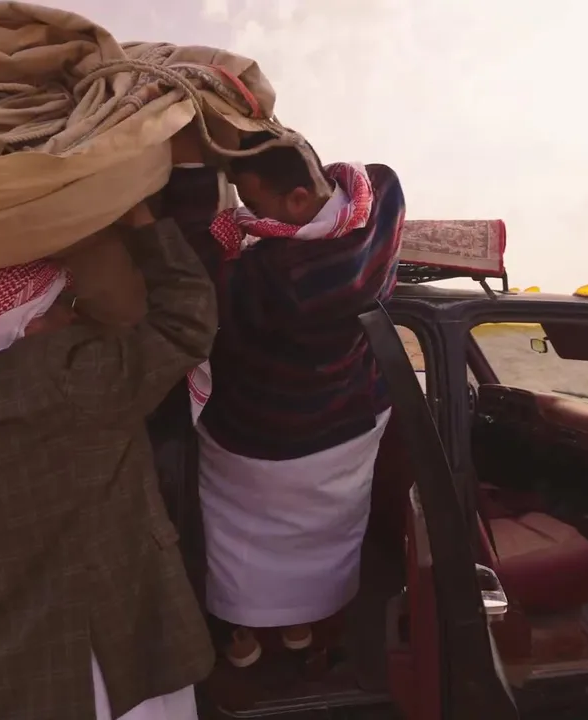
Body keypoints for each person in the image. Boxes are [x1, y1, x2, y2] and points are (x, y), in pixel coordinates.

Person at [0, 202, 218, 720]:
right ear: (24, 323)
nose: (74, 316)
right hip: (108, 652)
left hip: (17, 670)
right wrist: (145, 226)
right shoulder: (64, 376)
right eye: (59, 306)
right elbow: (186, 323)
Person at [162, 130, 406, 667]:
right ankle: (301, 622)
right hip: (349, 421)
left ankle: (241, 629)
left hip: (262, 438)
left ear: (297, 199)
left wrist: (192, 172)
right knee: (324, 538)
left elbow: (195, 274)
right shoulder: (384, 200)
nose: (248, 215)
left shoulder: (279, 278)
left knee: (237, 540)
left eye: (254, 202)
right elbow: (368, 178)